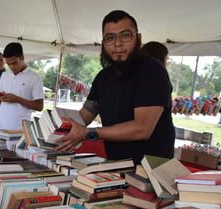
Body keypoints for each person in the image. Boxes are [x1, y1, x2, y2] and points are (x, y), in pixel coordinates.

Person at [55, 10, 175, 164]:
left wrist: (88, 133)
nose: (117, 43)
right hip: (115, 164)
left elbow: (142, 129)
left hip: (151, 170)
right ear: (104, 43)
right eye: (110, 38)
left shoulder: (152, 71)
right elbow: (85, 115)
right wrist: (57, 127)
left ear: (138, 38)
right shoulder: (103, 77)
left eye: (125, 35)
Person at [0, 42, 44, 130]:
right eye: (8, 64)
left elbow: (39, 106)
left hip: (21, 130)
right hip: (1, 128)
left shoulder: (35, 78)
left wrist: (17, 99)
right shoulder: (4, 75)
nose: (11, 67)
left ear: (22, 58)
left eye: (14, 63)